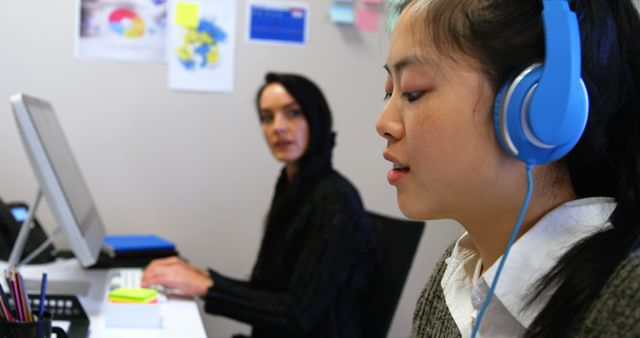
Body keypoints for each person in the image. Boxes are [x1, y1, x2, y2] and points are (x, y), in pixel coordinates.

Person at [376, 0, 640, 337]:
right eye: (389, 93)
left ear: (539, 108)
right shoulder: (456, 276)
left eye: (412, 92)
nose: (383, 123)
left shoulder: (628, 306)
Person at [142, 72, 377, 338]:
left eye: (293, 113)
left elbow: (298, 314)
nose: (277, 127)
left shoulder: (335, 200)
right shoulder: (292, 185)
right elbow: (270, 290)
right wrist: (201, 278)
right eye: (267, 117)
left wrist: (207, 287)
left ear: (316, 119)